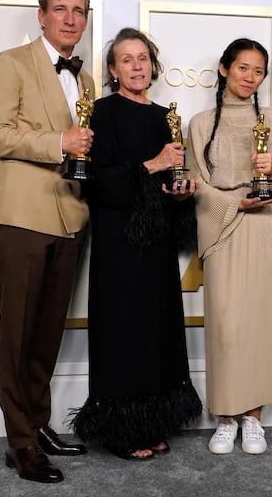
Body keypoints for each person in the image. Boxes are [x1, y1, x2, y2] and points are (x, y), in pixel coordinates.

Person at [0, 0, 95, 484]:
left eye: (80, 10)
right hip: (21, 219)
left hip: (71, 218)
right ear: (41, 15)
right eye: (61, 9)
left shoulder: (86, 79)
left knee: (48, 334)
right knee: (19, 334)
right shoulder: (10, 63)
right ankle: (20, 442)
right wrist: (59, 143)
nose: (71, 19)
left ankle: (39, 423)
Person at [68, 27, 202, 460]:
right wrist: (155, 163)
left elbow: (170, 180)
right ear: (112, 70)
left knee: (157, 330)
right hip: (118, 241)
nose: (137, 66)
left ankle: (154, 422)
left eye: (143, 58)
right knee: (123, 331)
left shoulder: (167, 116)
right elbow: (96, 182)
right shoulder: (100, 114)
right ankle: (122, 429)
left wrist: (181, 191)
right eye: (126, 60)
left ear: (153, 64)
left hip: (158, 239)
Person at [188, 38, 272, 455]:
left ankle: (254, 418)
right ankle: (226, 416)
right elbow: (195, 182)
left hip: (270, 229)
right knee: (227, 326)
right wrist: (235, 201)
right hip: (225, 226)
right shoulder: (200, 122)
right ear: (223, 69)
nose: (250, 78)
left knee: (264, 324)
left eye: (258, 71)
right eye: (242, 69)